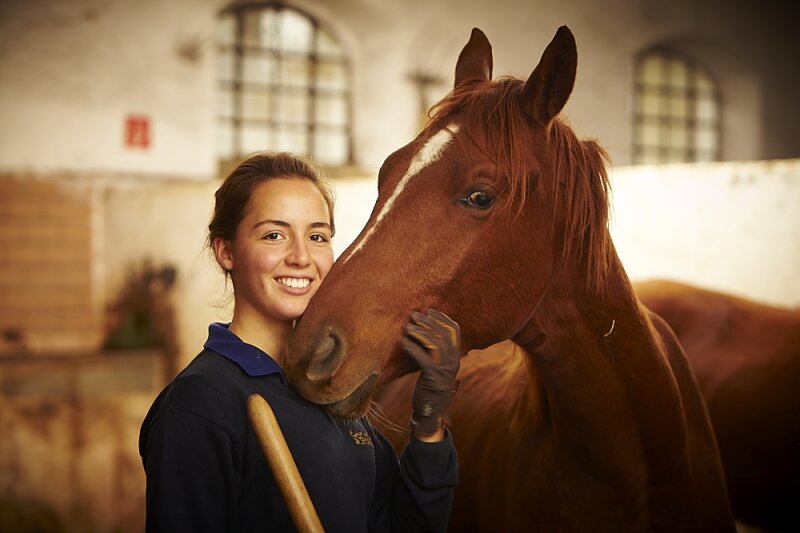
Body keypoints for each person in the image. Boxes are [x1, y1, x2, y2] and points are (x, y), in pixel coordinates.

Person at [139, 151, 461, 532]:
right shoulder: (199, 404)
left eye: (317, 236)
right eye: (274, 235)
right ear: (226, 252)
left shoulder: (330, 388)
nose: (301, 256)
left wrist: (428, 425)